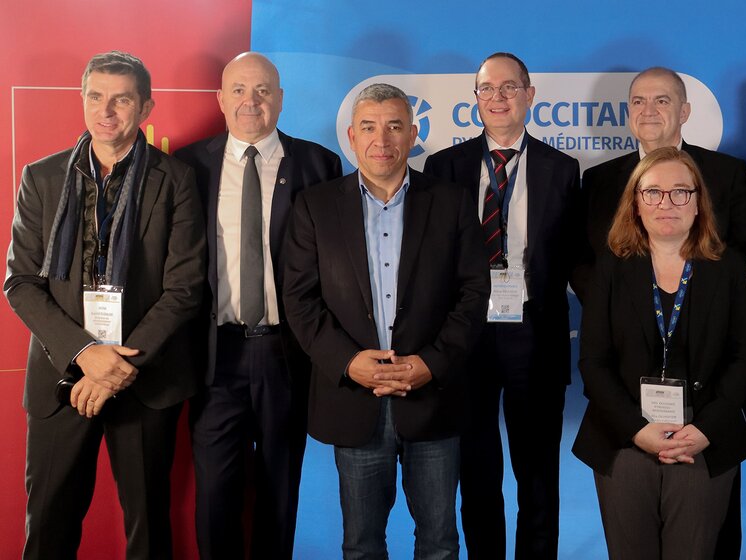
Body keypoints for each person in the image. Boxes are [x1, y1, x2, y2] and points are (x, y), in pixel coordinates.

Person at [4, 50, 206, 559]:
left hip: (146, 378)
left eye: (121, 99)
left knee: (148, 529)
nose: (107, 110)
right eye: (96, 97)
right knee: (48, 523)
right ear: (83, 100)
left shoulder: (176, 180)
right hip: (61, 375)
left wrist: (116, 366)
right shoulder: (42, 178)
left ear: (146, 106)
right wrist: (86, 354)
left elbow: (183, 287)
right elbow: (21, 282)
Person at [282, 83, 489, 559]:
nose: (383, 139)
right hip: (355, 399)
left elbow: (473, 293)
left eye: (395, 126)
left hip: (433, 398)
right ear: (352, 137)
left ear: (413, 134)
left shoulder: (452, 202)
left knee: (439, 542)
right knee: (361, 544)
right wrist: (348, 362)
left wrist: (431, 363)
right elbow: (300, 299)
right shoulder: (315, 206)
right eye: (370, 127)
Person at [581, 68, 746, 556]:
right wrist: (637, 430)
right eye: (653, 193)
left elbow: (742, 356)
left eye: (681, 193)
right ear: (635, 203)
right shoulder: (612, 268)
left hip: (705, 434)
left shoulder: (727, 268)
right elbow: (592, 361)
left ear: (700, 203)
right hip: (623, 435)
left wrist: (705, 429)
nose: (667, 203)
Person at [174, 52, 342, 560]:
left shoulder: (319, 164)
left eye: (264, 90)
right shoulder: (187, 165)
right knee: (215, 496)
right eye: (241, 90)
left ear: (281, 99)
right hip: (214, 355)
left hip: (287, 354)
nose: (253, 101)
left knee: (280, 488)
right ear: (221, 99)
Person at [423, 52, 582, 560]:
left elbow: (573, 257)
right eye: (487, 89)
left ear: (530, 95)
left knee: (538, 475)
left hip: (534, 333)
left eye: (509, 87)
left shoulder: (563, 169)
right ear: (475, 99)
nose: (498, 98)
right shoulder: (443, 167)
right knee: (476, 470)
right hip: (465, 334)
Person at [583, 67, 746, 265]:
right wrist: (604, 296)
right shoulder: (597, 180)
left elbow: (744, 254)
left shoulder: (728, 173)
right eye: (638, 101)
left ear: (684, 112)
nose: (648, 111)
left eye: (661, 101)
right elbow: (582, 258)